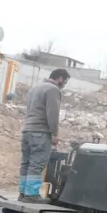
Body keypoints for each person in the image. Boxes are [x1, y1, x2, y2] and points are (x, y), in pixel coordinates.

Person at [20, 69, 69, 203]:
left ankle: (23, 193)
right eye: (65, 82)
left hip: (27, 130)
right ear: (60, 78)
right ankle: (31, 195)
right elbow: (52, 113)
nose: (64, 85)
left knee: (26, 163)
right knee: (36, 163)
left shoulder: (35, 88)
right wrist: (54, 134)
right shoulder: (53, 89)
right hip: (40, 132)